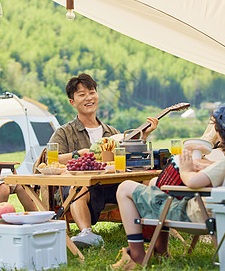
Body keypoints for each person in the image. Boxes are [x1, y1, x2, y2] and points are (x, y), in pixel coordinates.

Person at [112, 100, 225, 270]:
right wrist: (205, 166)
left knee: (125, 188)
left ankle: (137, 255)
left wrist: (185, 169)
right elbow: (222, 171)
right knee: (155, 182)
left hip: (196, 214)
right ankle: (161, 251)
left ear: (224, 134)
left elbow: (192, 182)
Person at [49, 73, 159, 248]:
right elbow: (51, 159)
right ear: (72, 102)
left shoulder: (112, 132)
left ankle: (152, 228)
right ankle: (87, 234)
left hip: (110, 186)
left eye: (91, 92)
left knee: (145, 180)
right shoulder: (64, 132)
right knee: (79, 185)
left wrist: (143, 138)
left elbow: (129, 161)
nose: (89, 98)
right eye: (82, 94)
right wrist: (78, 154)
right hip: (78, 188)